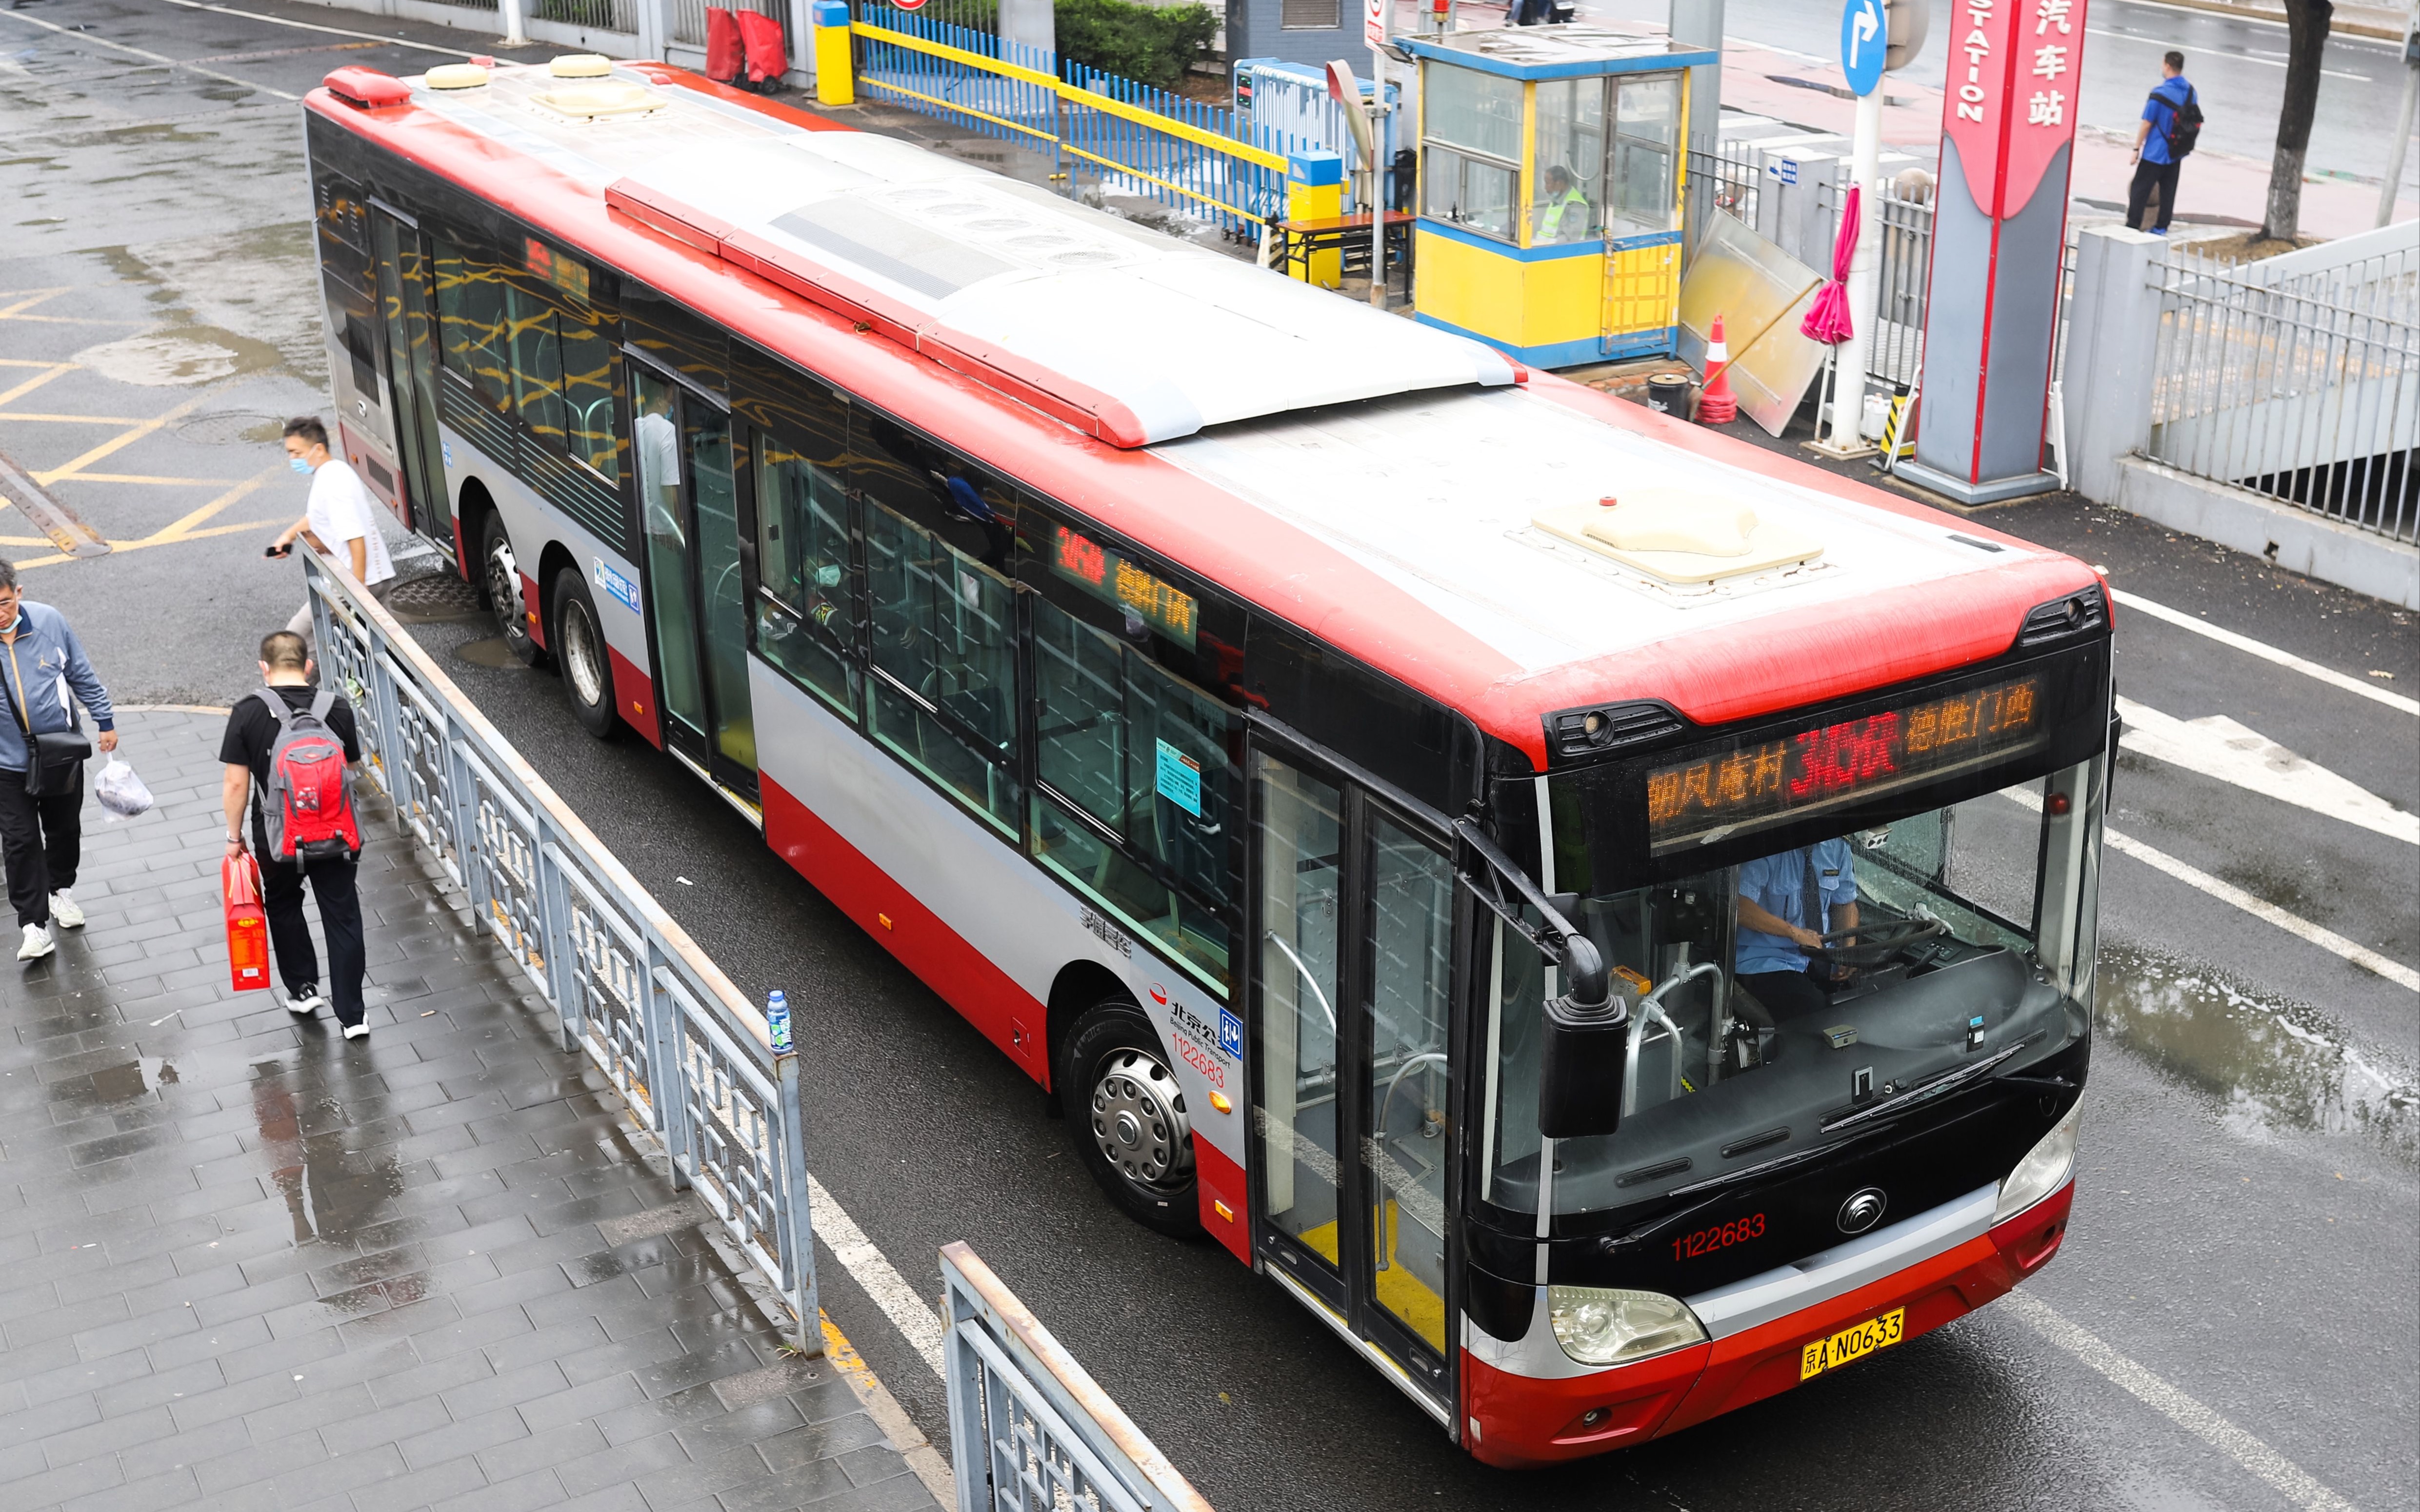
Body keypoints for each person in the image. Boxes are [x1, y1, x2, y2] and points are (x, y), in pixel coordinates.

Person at [221, 631, 370, 1038]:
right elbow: (352, 768)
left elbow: (236, 785)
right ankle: (353, 1016)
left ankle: (303, 989)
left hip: (276, 836)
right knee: (342, 916)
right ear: (308, 667)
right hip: (337, 833)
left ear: (264, 668)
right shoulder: (336, 708)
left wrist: (234, 839)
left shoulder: (248, 712)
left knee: (284, 904)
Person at [0, 560, 117, 962]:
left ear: (18, 593)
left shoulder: (49, 621)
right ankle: (32, 925)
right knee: (19, 841)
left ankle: (60, 892)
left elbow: (81, 673)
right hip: (6, 763)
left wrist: (105, 720)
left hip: (58, 753)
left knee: (64, 828)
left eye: (4, 603)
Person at [267, 417, 397, 644]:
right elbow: (316, 518)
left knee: (296, 641)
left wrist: (357, 590)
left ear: (318, 449)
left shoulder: (332, 484)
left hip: (355, 582)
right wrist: (287, 536)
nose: (292, 459)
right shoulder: (336, 471)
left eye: (297, 453)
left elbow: (355, 536)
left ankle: (296, 678)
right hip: (378, 576)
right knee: (381, 649)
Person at [1734, 837, 1860, 1022]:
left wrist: (1848, 949)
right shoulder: (1763, 848)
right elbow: (1740, 907)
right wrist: (1794, 933)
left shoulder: (1838, 846)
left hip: (1824, 958)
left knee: (1866, 1000)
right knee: (1816, 1015)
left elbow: (1845, 903)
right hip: (1768, 961)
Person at [2127, 51, 2196, 236]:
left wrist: (2136, 148)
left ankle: (2132, 226)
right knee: (2168, 191)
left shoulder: (2159, 94)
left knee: (2140, 190)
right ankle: (2161, 227)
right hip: (2177, 151)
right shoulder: (2191, 92)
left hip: (2155, 152)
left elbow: (2147, 123)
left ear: (2167, 66)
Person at [1534, 165, 1593, 242]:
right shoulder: (1556, 199)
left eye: (1548, 183)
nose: (1545, 188)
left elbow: (1570, 239)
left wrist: (1545, 245)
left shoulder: (1576, 205)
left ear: (1559, 184)